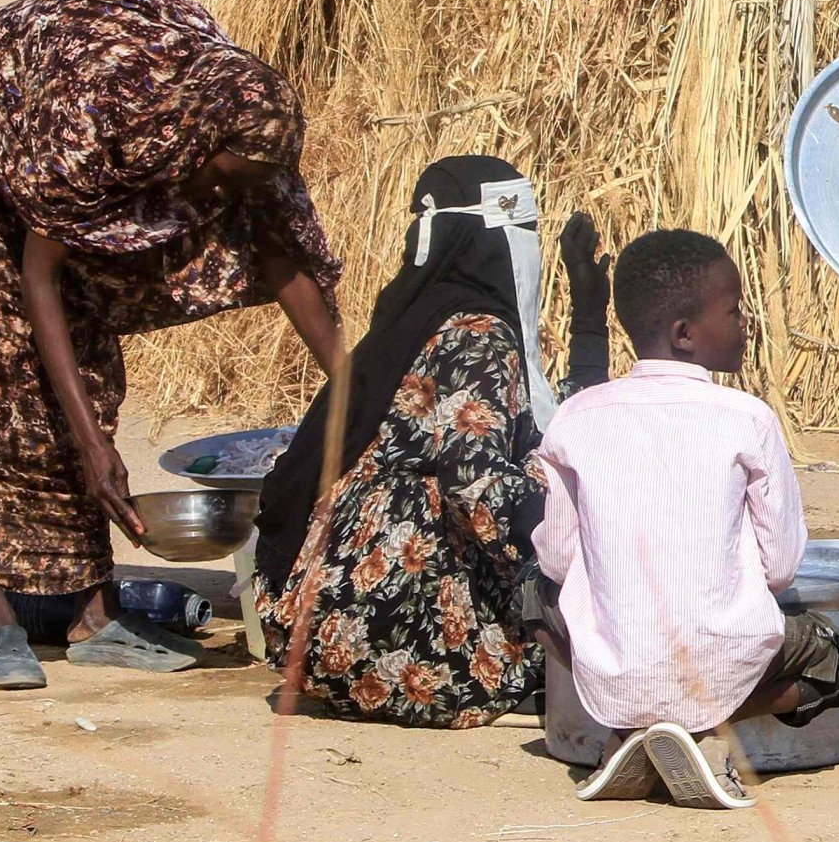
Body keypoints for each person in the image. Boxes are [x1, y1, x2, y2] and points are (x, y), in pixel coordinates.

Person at [0, 0, 341, 690]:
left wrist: (361, 394)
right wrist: (95, 444)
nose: (226, 196)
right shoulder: (97, 120)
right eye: (221, 180)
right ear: (192, 139)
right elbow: (40, 273)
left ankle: (92, 615)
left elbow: (283, 259)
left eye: (241, 185)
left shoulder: (248, 133)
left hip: (62, 143)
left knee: (88, 366)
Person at [250, 158, 604, 728]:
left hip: (326, 625)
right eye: (524, 235)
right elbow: (478, 489)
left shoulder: (412, 324)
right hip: (399, 633)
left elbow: (567, 427)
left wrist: (589, 320)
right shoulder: (480, 335)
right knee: (566, 498)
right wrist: (585, 546)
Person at [531, 230, 839, 808]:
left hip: (616, 664)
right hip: (721, 661)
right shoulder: (748, 419)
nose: (745, 321)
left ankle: (632, 729)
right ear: (685, 334)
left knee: (529, 597)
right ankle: (700, 731)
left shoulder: (576, 418)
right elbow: (780, 568)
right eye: (732, 310)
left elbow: (555, 560)